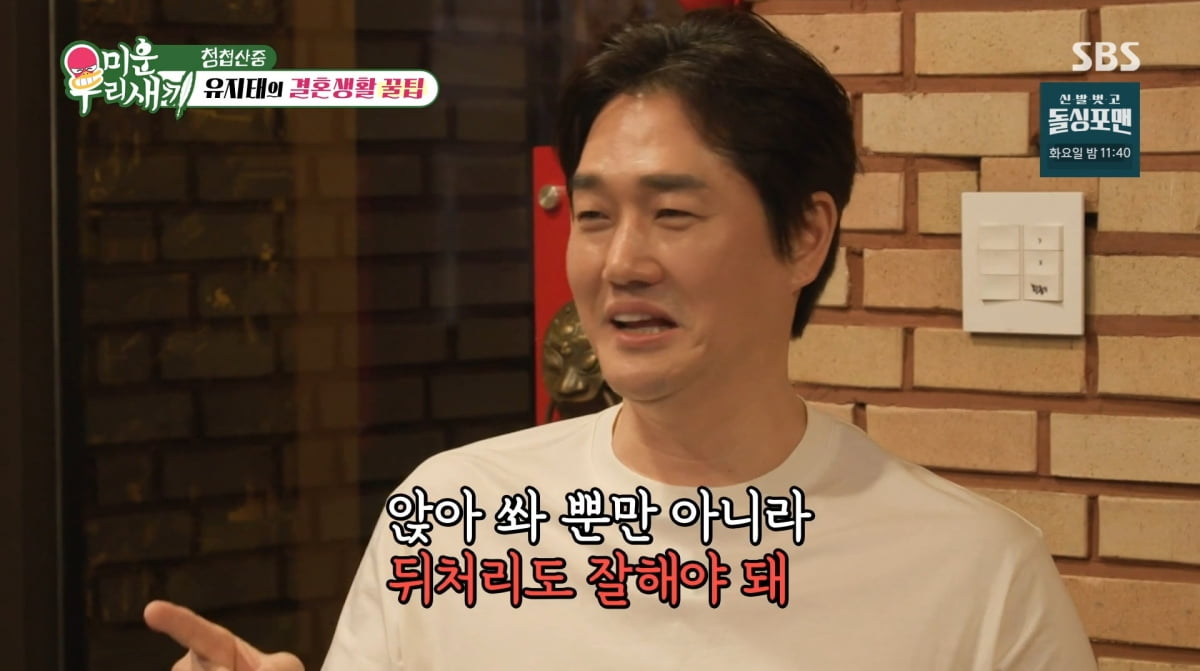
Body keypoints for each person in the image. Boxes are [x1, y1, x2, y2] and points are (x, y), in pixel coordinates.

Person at [145, 8, 1098, 670]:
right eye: (595, 216)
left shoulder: (975, 578)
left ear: (806, 235)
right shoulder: (453, 513)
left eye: (673, 213)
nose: (621, 262)